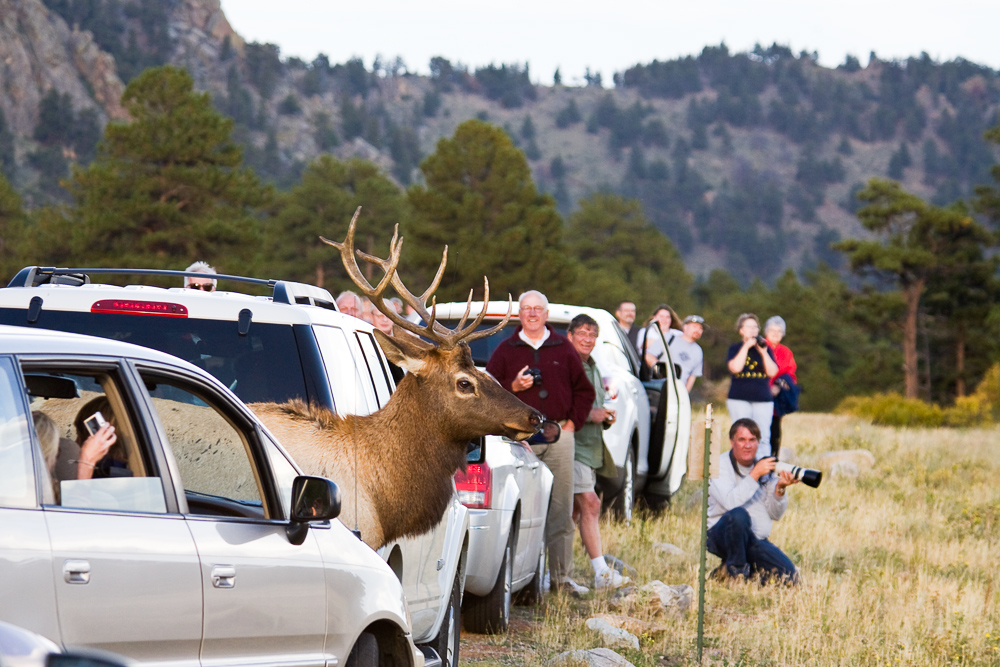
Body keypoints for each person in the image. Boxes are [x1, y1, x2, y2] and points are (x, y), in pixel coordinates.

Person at [486, 290, 595, 596]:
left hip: (560, 436)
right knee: (524, 510)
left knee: (561, 509)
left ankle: (561, 579)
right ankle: (522, 581)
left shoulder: (563, 346)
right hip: (521, 441)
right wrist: (514, 387)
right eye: (526, 309)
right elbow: (489, 394)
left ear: (546, 315)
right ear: (519, 315)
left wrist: (573, 424)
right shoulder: (506, 349)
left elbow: (584, 391)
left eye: (538, 309)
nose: (532, 314)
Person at [565, 314, 630, 591]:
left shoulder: (591, 365)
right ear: (570, 336)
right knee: (591, 504)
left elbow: (589, 405)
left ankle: (555, 572)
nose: (587, 339)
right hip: (573, 446)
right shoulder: (569, 365)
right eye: (582, 333)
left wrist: (603, 417)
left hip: (589, 448)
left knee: (572, 512)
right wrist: (592, 414)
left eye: (592, 335)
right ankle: (601, 573)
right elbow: (563, 404)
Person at [707, 418, 799, 584]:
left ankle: (728, 572)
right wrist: (754, 474)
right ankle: (737, 574)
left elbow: (775, 514)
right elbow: (730, 503)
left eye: (752, 440)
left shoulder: (764, 467)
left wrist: (780, 489)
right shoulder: (719, 465)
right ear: (731, 442)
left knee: (790, 577)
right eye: (741, 440)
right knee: (738, 515)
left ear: (758, 442)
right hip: (721, 534)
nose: (747, 445)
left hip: (753, 539)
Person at [726, 313, 778, 458]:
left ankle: (763, 472)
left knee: (763, 436)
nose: (753, 330)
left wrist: (763, 353)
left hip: (762, 399)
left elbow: (773, 372)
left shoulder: (765, 349)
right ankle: (741, 471)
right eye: (749, 327)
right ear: (741, 330)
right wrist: (746, 347)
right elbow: (735, 368)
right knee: (741, 436)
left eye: (755, 327)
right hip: (739, 398)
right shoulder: (735, 348)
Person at [764, 316, 798, 459]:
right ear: (766, 331)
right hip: (759, 394)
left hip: (776, 400)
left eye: (779, 331)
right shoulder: (759, 346)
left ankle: (772, 461)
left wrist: (779, 385)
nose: (776, 333)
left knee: (774, 431)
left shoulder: (785, 352)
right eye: (772, 330)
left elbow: (790, 374)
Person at [636, 304, 682, 372]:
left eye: (667, 317)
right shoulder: (646, 332)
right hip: (649, 372)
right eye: (661, 316)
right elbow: (643, 348)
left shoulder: (678, 334)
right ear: (654, 318)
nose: (664, 320)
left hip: (674, 371)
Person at [668, 315, 705, 393]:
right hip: (660, 387)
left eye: (700, 328)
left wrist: (684, 395)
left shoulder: (698, 351)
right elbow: (650, 356)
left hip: (678, 392)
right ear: (685, 327)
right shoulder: (669, 339)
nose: (697, 330)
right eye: (694, 326)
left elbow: (692, 377)